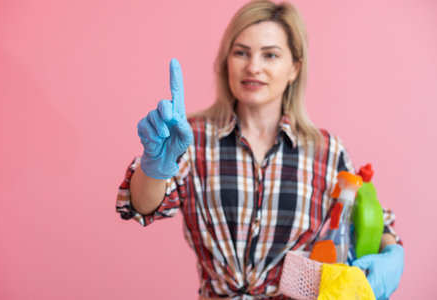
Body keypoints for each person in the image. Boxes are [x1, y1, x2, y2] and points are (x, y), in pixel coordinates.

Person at [116, 1, 404, 299]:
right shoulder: (191, 138)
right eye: (241, 52)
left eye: (270, 55)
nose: (253, 67)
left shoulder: (326, 151)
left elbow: (372, 219)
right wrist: (153, 168)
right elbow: (142, 206)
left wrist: (391, 253)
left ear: (294, 67)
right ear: (227, 60)